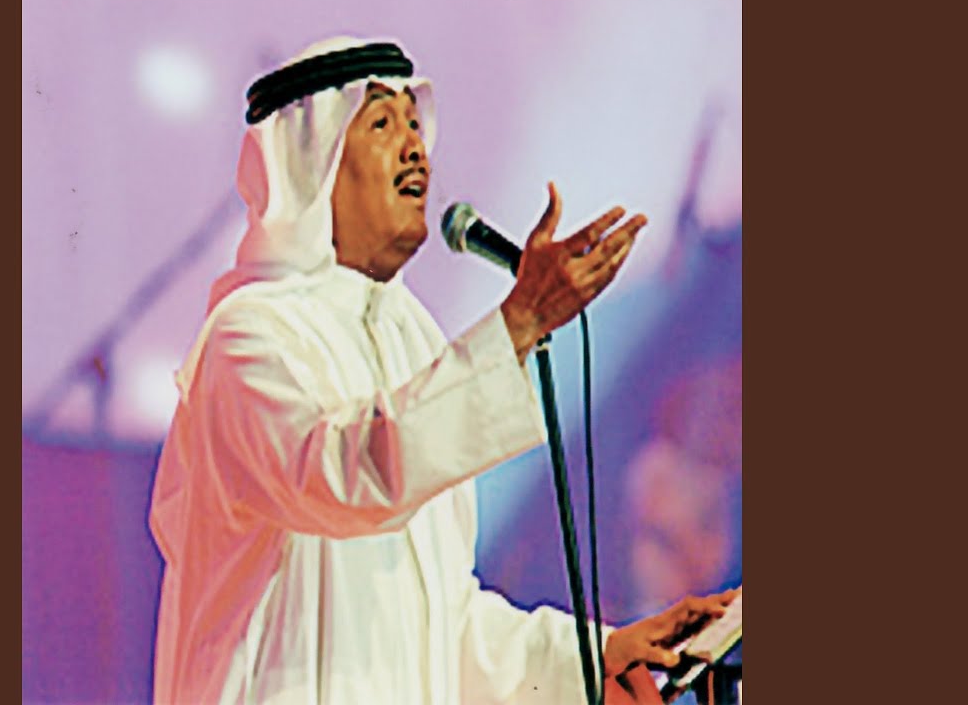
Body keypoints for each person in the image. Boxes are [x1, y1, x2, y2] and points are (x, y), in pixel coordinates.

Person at [148, 36, 736, 704]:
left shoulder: (412, 340)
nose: (414, 148)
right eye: (381, 124)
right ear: (314, 165)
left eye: (413, 123)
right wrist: (518, 324)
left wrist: (596, 656)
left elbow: (442, 626)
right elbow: (342, 474)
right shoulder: (247, 337)